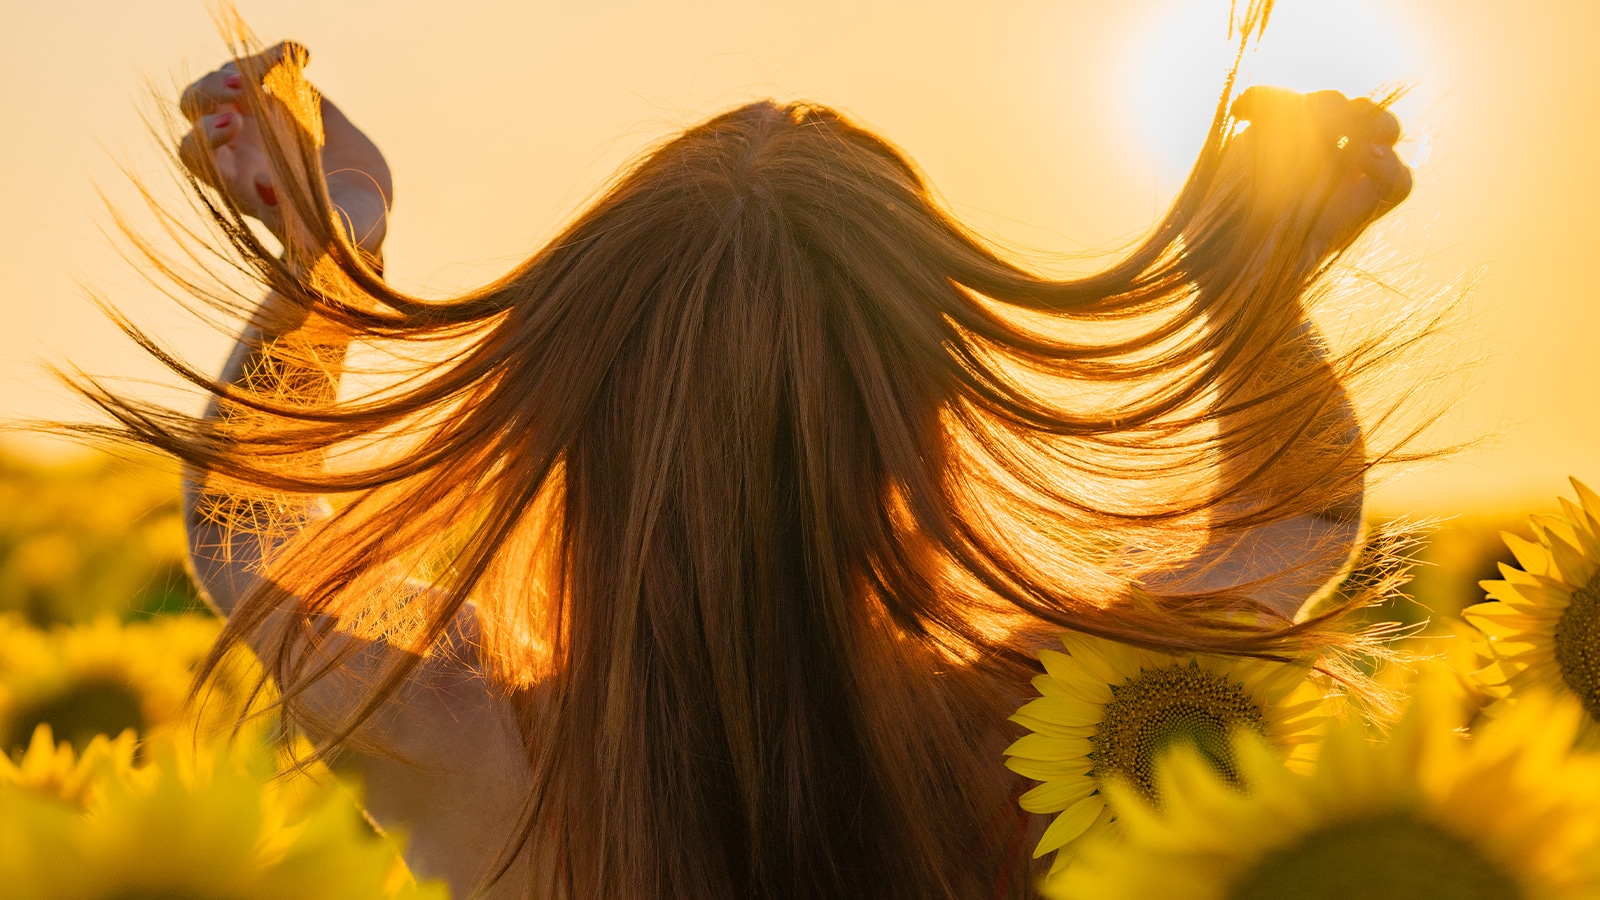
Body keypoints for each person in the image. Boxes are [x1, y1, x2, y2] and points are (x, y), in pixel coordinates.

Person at [94, 32, 1413, 900]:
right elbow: (1295, 522)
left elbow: (249, 537)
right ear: (930, 427)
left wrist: (332, 261)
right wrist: (1252, 293)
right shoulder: (1048, 714)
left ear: (562, 420)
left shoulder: (479, 744)